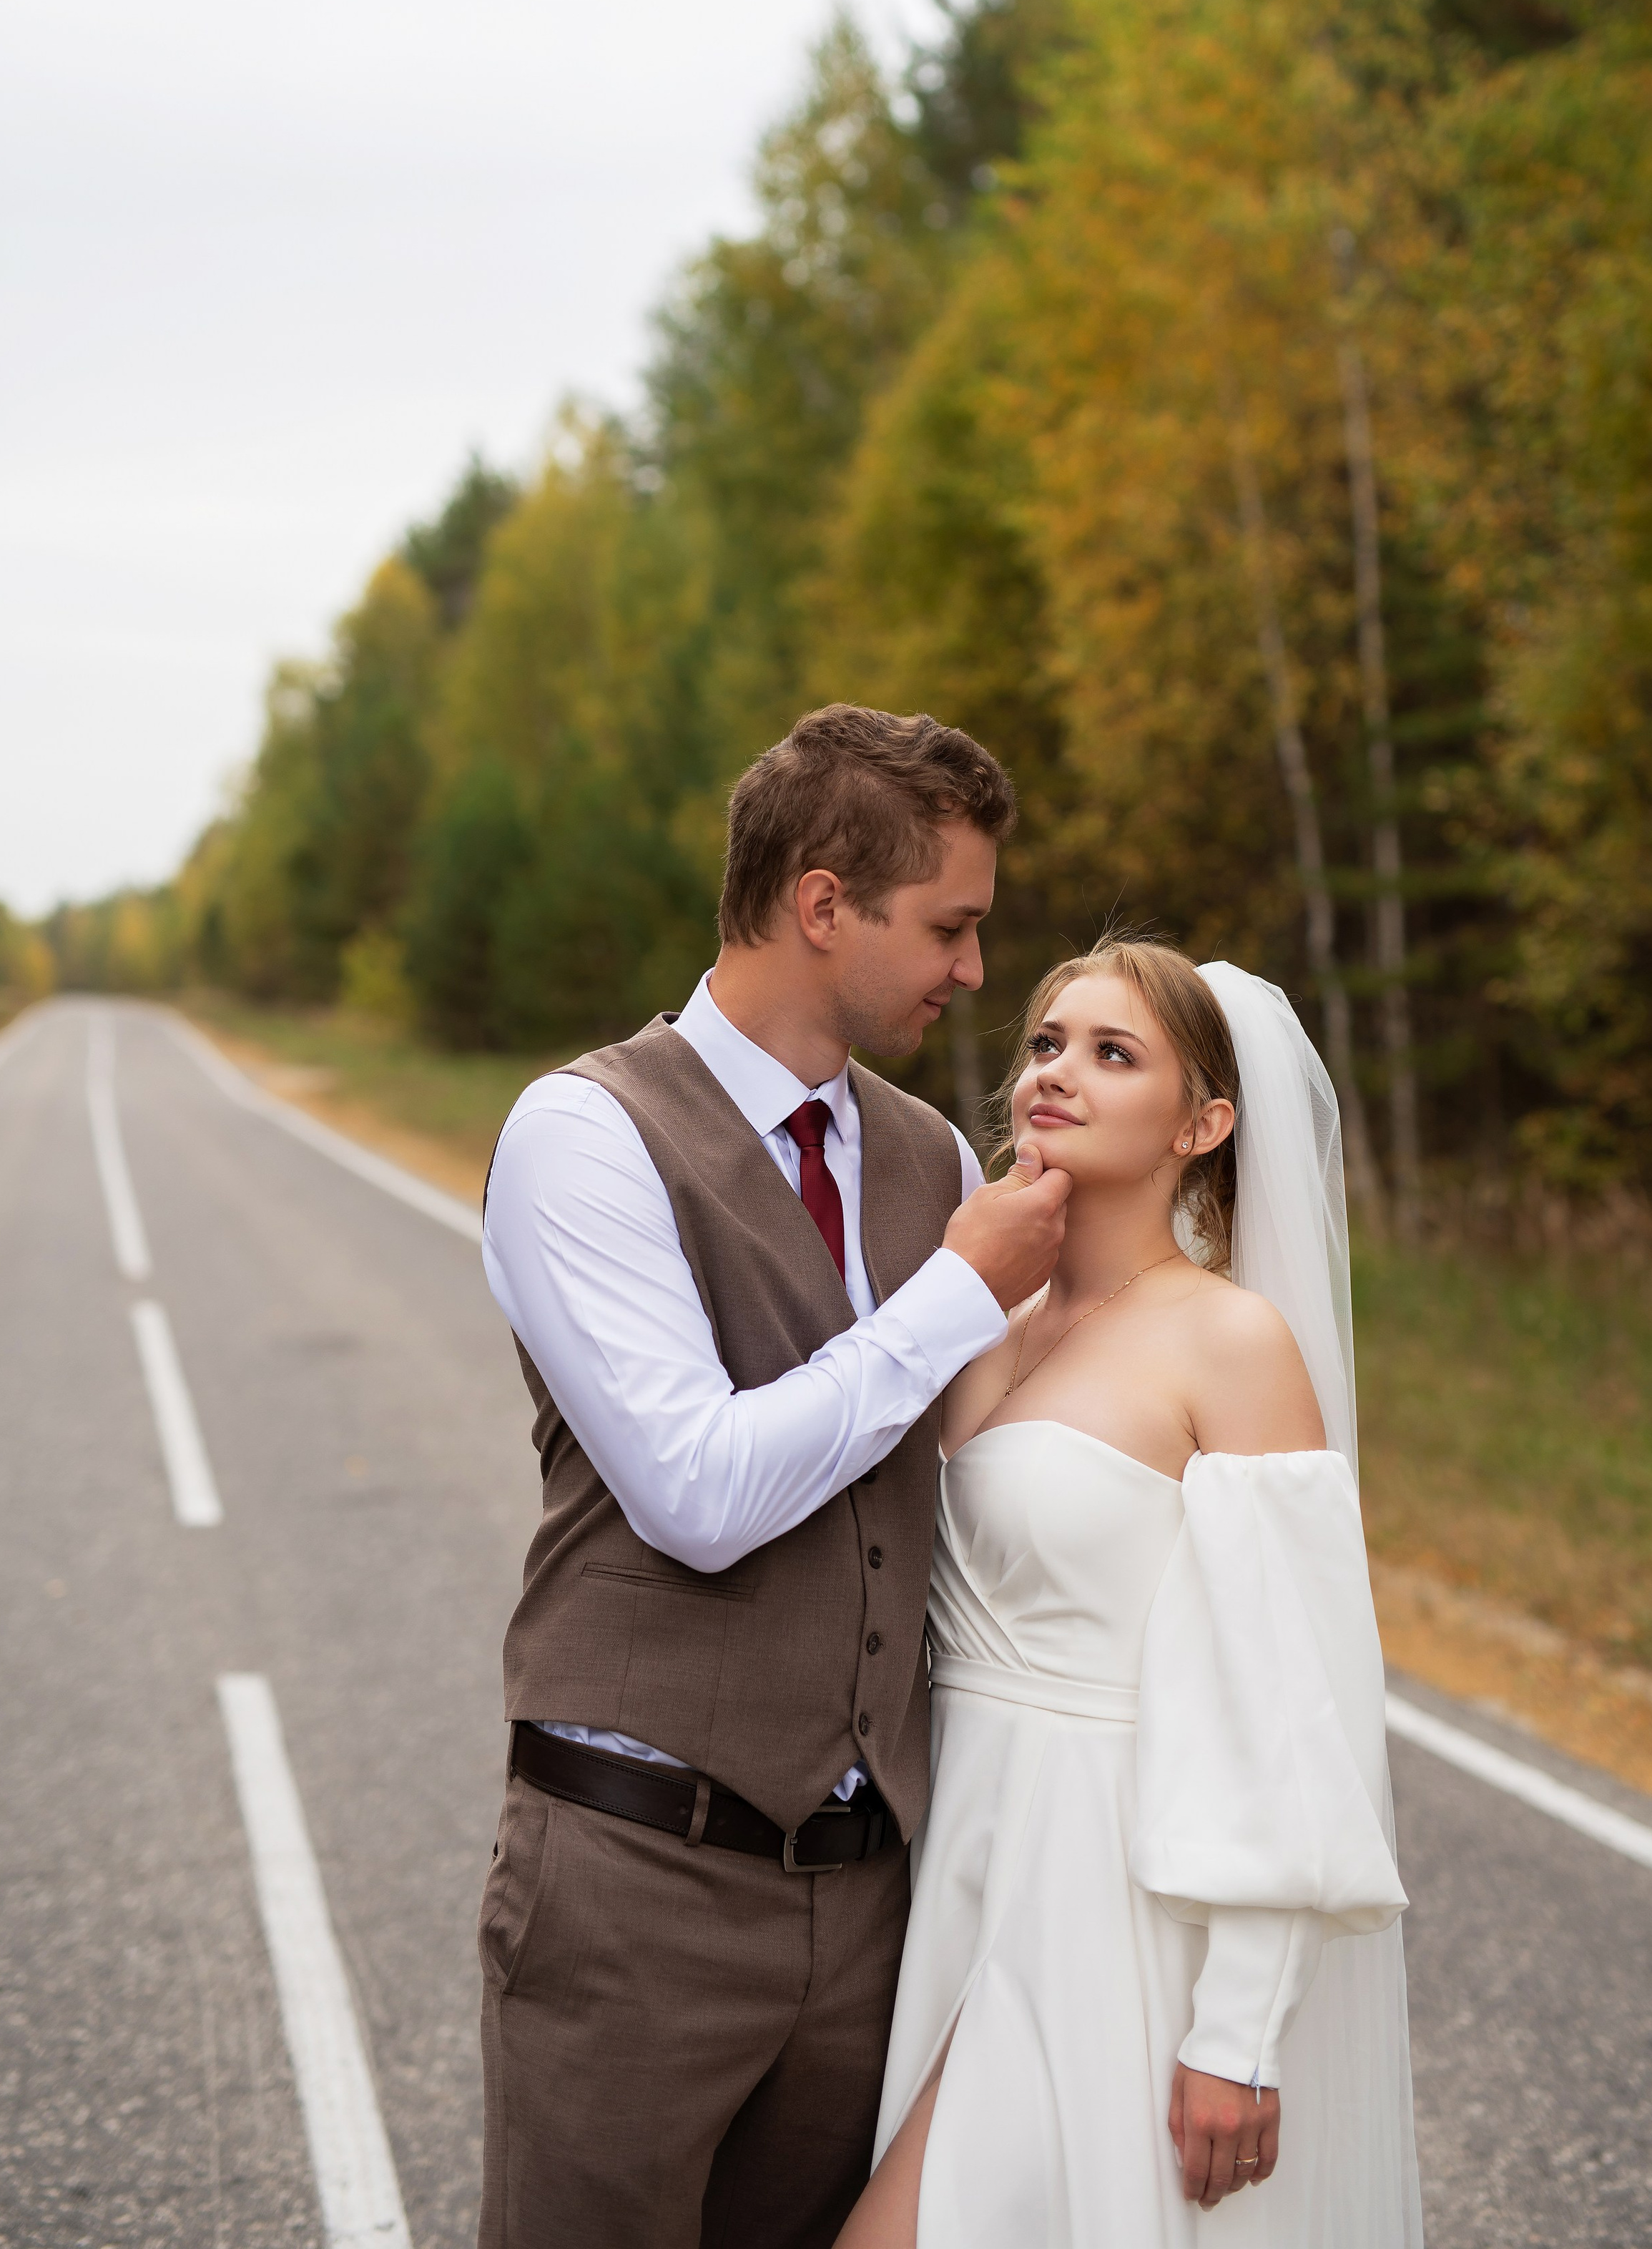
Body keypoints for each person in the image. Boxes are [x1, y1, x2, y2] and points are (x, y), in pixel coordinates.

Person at [475, 704, 1073, 2249]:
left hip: (874, 1901)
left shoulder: (935, 1153)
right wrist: (952, 1289)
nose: (970, 972)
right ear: (822, 902)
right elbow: (696, 1489)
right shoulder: (584, 1134)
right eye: (947, 925)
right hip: (634, 1883)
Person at [837, 939, 1421, 2248]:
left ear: (1204, 1124)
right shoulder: (986, 1307)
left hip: (1110, 1895)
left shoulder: (1231, 1340)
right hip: (955, 1868)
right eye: (1046, 1042)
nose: (1057, 1073)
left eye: (1113, 1053)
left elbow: (1291, 1702)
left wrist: (1242, 2031)